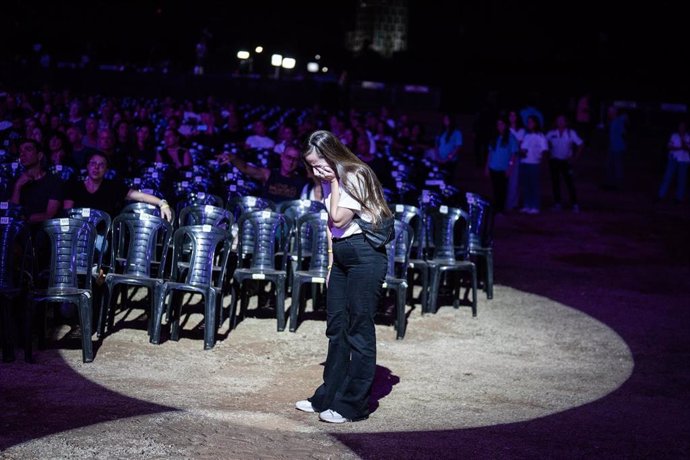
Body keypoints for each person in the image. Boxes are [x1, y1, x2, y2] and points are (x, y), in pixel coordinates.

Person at [296, 130, 390, 424]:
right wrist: (330, 264)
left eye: (319, 163)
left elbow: (338, 217)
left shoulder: (354, 175)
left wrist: (334, 181)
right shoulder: (327, 181)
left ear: (332, 154)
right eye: (311, 166)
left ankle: (353, 406)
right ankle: (328, 396)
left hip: (365, 256)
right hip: (343, 257)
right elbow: (329, 226)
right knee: (336, 328)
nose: (316, 171)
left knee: (358, 329)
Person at [63, 151, 172, 221]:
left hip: (102, 237)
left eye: (101, 165)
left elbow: (140, 196)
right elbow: (67, 213)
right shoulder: (74, 186)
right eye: (93, 164)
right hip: (77, 233)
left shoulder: (112, 187)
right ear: (87, 166)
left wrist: (162, 203)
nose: (96, 168)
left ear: (106, 170)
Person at [218, 144, 306, 204]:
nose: (291, 162)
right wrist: (232, 158)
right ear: (282, 156)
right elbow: (245, 168)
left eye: (295, 159)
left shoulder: (301, 181)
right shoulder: (268, 174)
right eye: (288, 157)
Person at [10, 138, 64, 223]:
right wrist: (17, 187)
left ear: (39, 156)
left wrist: (25, 219)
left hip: (43, 230)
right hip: (19, 230)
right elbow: (12, 212)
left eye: (28, 149)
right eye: (20, 151)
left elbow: (50, 214)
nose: (22, 154)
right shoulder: (16, 180)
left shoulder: (53, 181)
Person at [545, 114, 584, 212]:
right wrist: (547, 154)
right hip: (554, 161)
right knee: (555, 183)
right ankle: (557, 204)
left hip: (566, 162)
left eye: (562, 120)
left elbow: (580, 144)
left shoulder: (571, 133)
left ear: (566, 122)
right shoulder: (551, 133)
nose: (560, 122)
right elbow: (542, 142)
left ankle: (574, 204)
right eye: (558, 120)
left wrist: (575, 157)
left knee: (569, 183)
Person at [484, 116, 519, 213]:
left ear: (505, 125)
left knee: (502, 189)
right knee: (495, 189)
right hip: (493, 167)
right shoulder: (495, 138)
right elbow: (490, 153)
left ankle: (501, 209)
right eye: (498, 124)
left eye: (502, 124)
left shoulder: (511, 138)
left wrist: (510, 167)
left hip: (503, 168)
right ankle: (496, 208)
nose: (500, 126)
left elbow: (513, 154)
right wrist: (487, 166)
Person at [657, 120, 690, 203]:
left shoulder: (688, 136)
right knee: (667, 177)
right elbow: (669, 147)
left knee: (681, 179)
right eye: (680, 126)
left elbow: (687, 148)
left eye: (683, 126)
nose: (681, 128)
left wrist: (682, 144)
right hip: (673, 159)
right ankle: (661, 195)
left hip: (684, 160)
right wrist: (680, 148)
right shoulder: (674, 136)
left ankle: (679, 198)